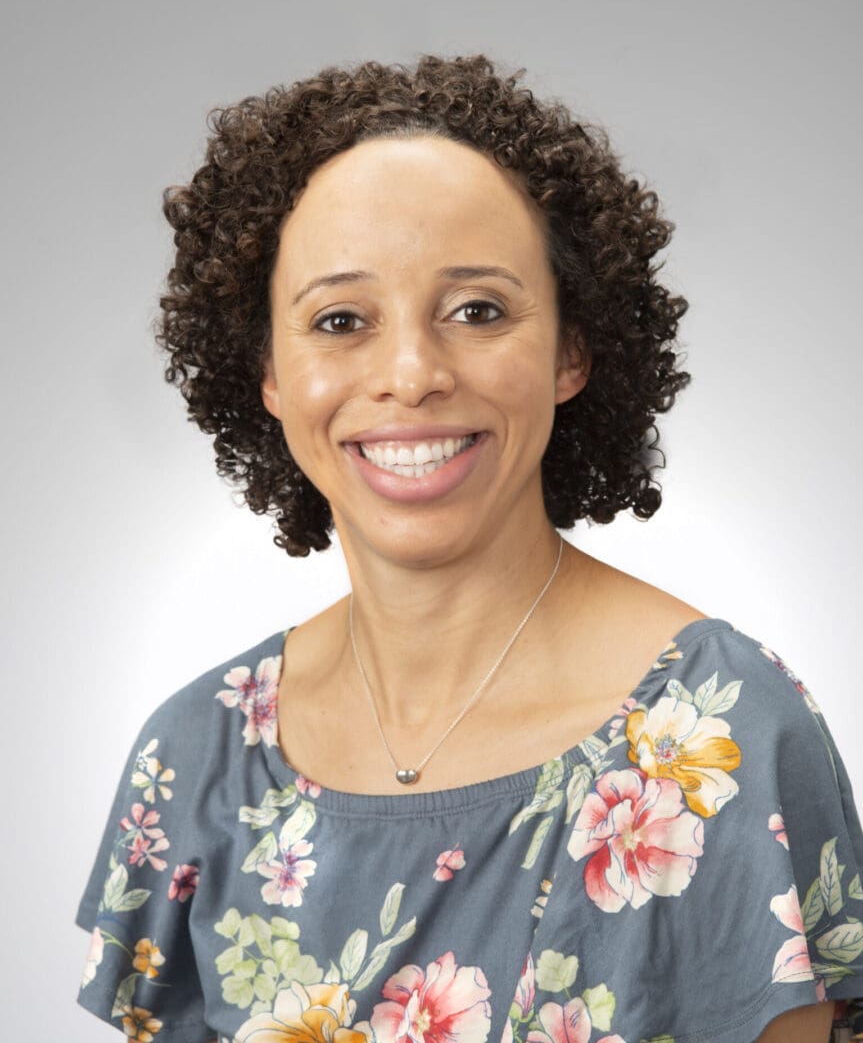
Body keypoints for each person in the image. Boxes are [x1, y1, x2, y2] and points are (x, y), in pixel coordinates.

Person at [75, 53, 863, 1043]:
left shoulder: (719, 740)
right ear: (268, 374)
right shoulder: (194, 761)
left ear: (571, 351)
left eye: (476, 310)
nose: (409, 374)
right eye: (339, 320)